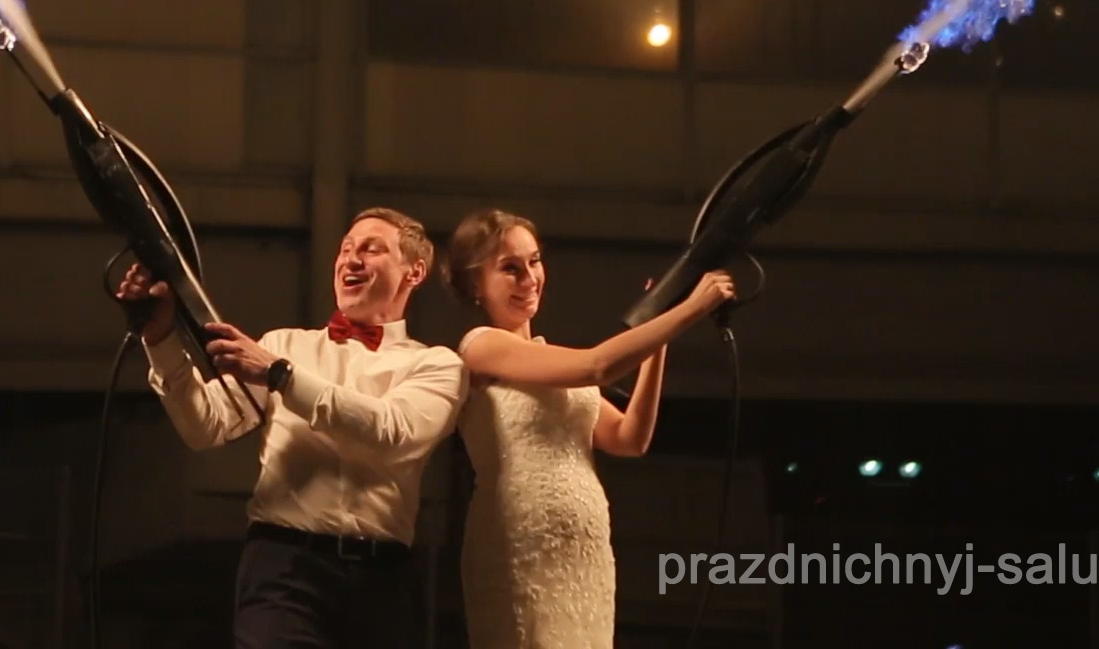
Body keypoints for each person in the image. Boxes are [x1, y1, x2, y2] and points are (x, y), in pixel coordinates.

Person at [114, 207, 468, 649]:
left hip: (383, 580)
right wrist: (161, 339)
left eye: (371, 249)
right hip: (283, 568)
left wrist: (282, 376)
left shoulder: (436, 364)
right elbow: (205, 426)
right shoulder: (283, 344)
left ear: (414, 272)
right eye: (345, 249)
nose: (351, 259)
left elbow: (394, 431)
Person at [443, 208, 735, 649]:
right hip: (520, 544)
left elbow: (630, 438)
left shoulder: (551, 361)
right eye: (510, 268)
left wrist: (659, 338)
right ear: (474, 286)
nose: (529, 278)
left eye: (534, 261)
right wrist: (691, 309)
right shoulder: (481, 346)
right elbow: (597, 366)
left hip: (585, 551)